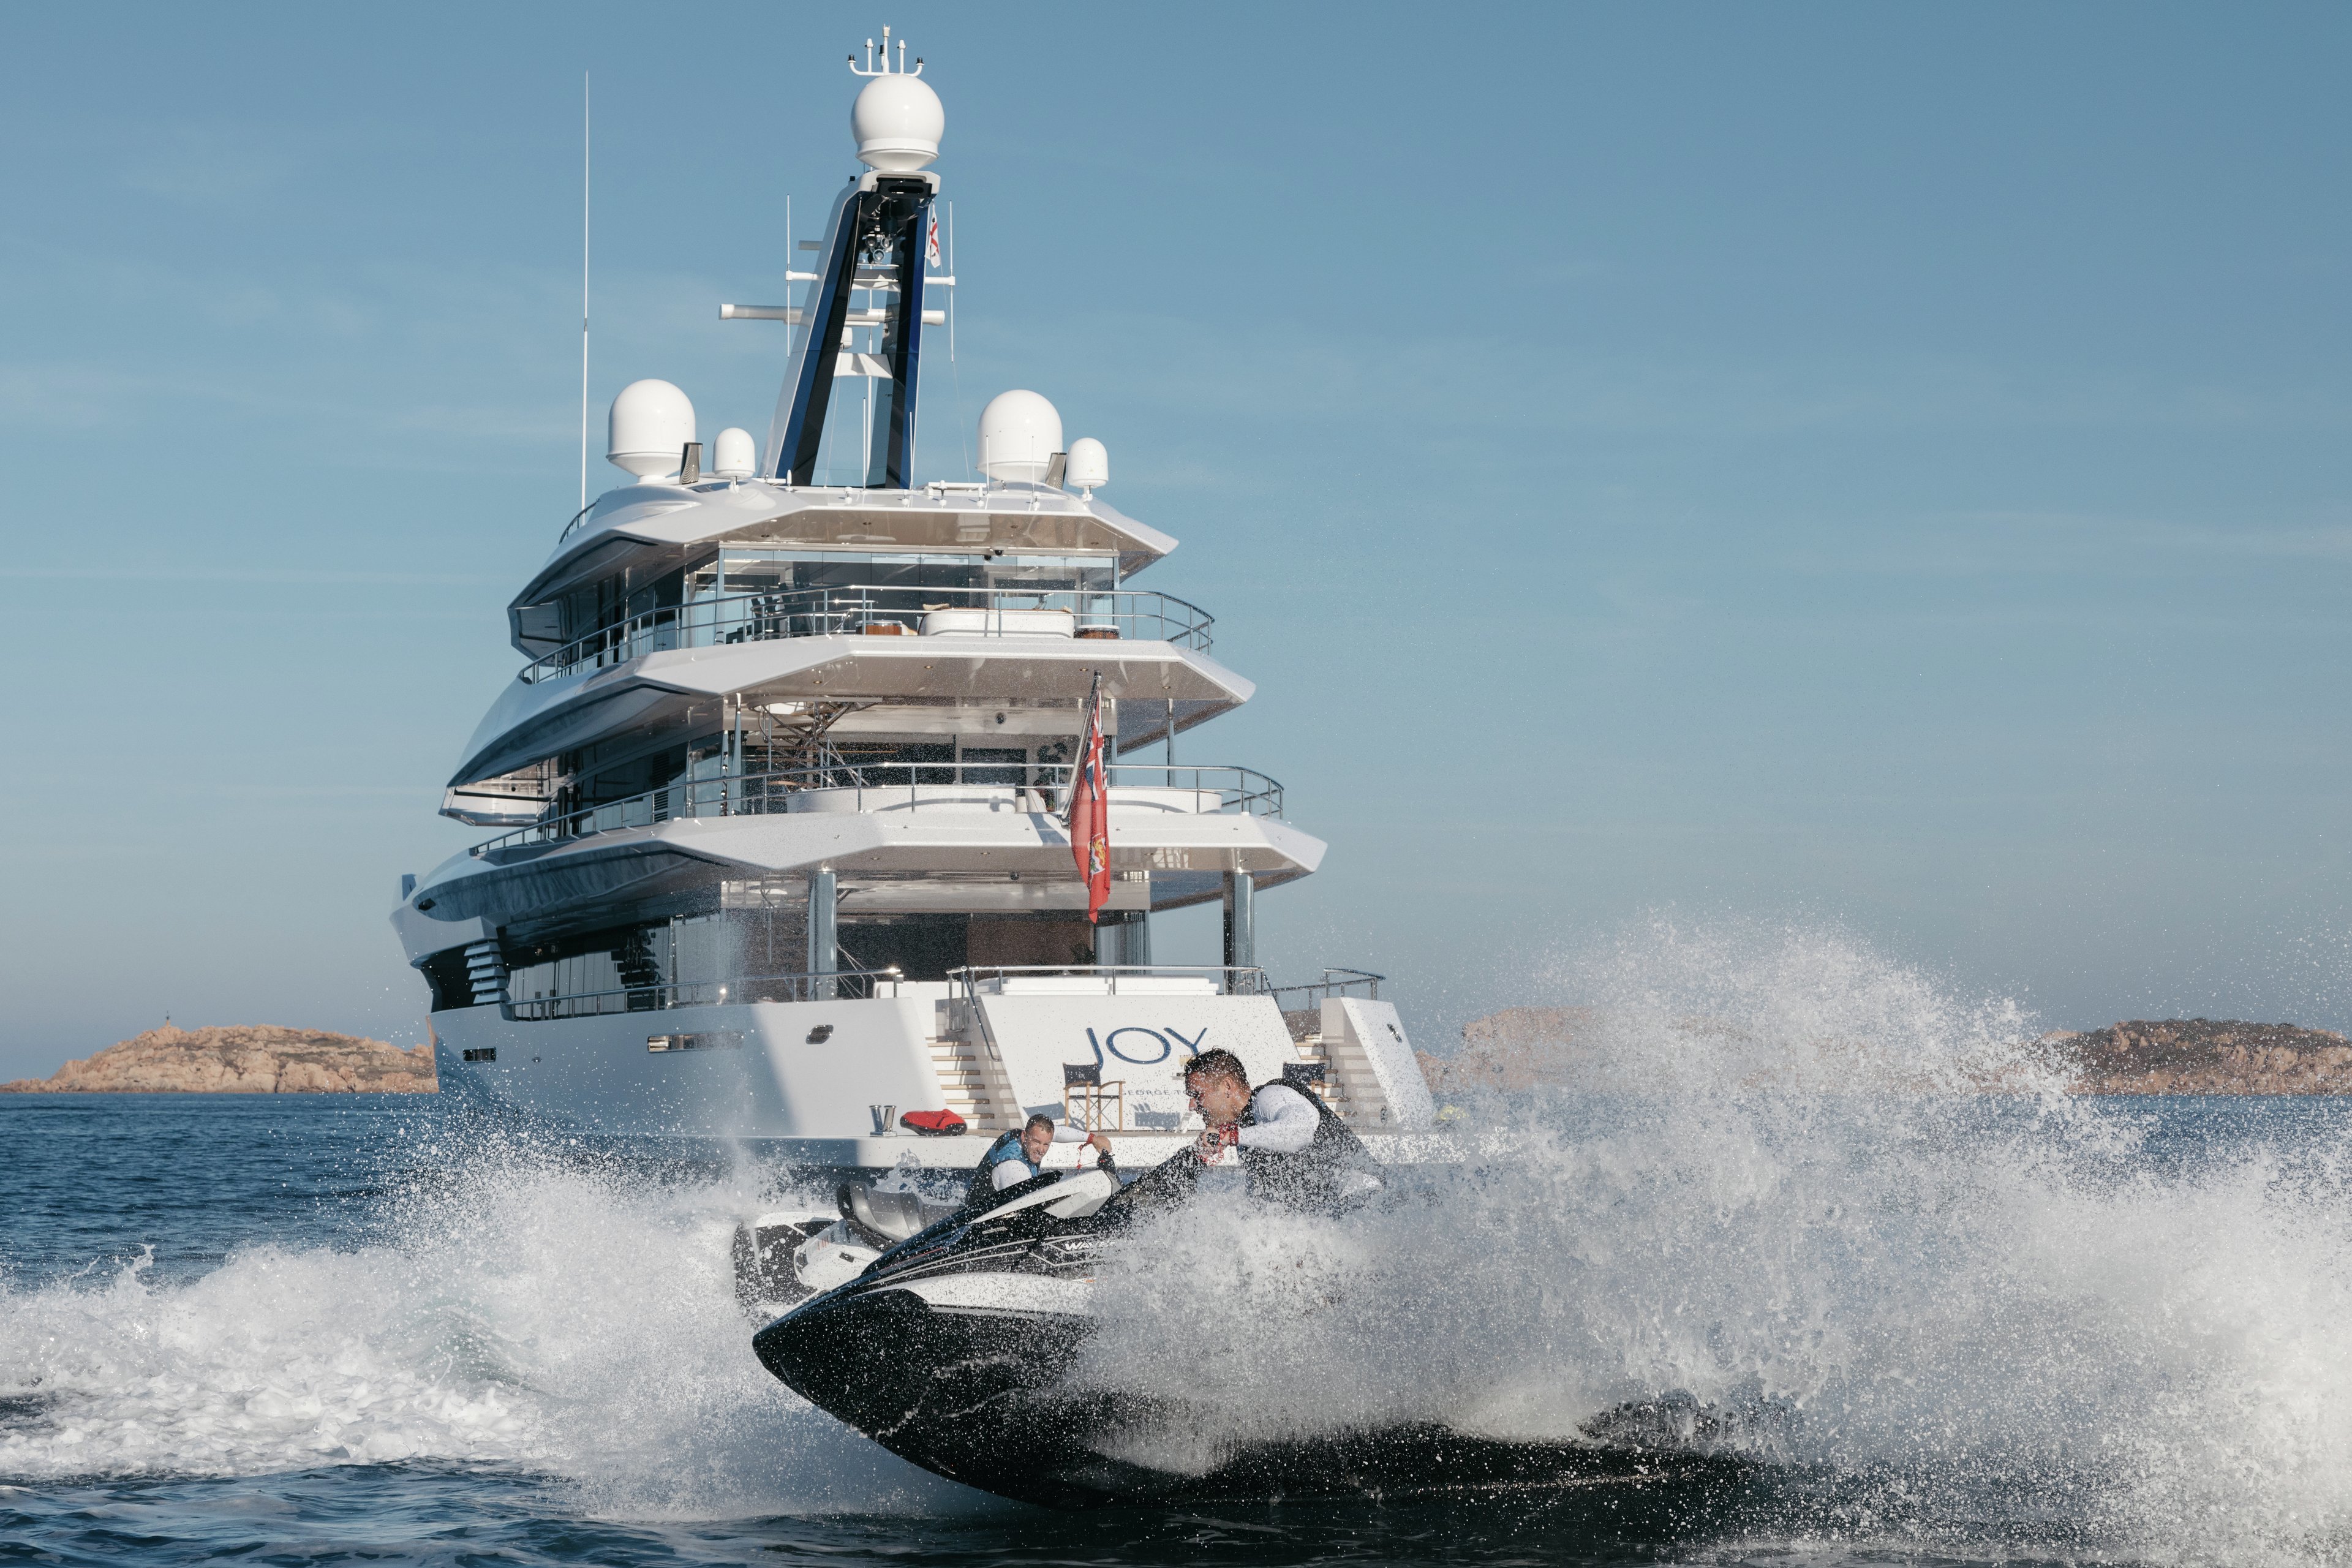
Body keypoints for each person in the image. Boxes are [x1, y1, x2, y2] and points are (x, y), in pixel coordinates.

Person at [1180, 1047, 1382, 1211]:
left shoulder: (1269, 1097)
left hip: (1366, 1203)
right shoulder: (1247, 1133)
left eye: (1197, 1095)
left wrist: (1232, 1136)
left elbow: (1300, 1131)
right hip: (1334, 1221)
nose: (1192, 1105)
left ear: (1227, 1087)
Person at [966, 1113, 1112, 1207]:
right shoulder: (1014, 1168)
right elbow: (1026, 1210)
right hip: (979, 1225)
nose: (1041, 1150)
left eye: (1046, 1144)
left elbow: (1057, 1132)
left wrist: (1092, 1139)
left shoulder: (1022, 1136)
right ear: (1025, 1137)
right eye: (1036, 1142)